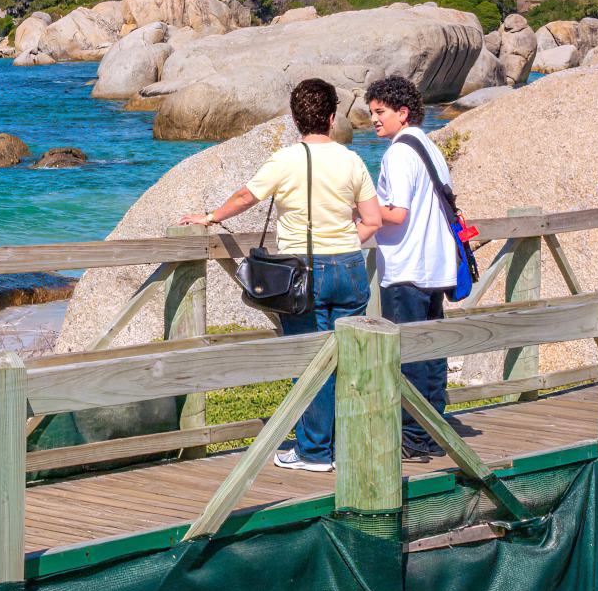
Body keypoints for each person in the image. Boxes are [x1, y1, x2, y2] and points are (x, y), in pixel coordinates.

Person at [182, 77, 380, 473]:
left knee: (310, 362)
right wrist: (341, 243)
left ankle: (315, 452)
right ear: (330, 116)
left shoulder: (286, 160)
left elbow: (245, 197)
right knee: (351, 360)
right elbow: (372, 220)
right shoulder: (352, 160)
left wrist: (209, 216)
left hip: (306, 272)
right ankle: (349, 444)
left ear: (295, 119)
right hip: (349, 266)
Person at [363, 74, 459, 461]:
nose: (373, 119)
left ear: (403, 113)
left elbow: (397, 213)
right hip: (434, 265)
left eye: (380, 112)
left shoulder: (399, 152)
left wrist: (361, 207)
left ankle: (414, 440)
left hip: (406, 266)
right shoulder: (429, 146)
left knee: (407, 356)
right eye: (371, 112)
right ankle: (434, 432)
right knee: (432, 354)